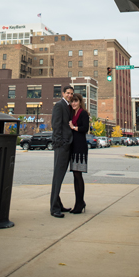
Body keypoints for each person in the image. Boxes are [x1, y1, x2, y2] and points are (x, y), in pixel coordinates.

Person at [50, 84, 74, 218]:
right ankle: (54, 208)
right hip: (61, 146)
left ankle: (58, 204)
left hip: (67, 145)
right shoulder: (59, 105)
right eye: (68, 93)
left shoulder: (68, 106)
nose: (70, 95)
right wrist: (59, 143)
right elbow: (56, 125)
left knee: (60, 177)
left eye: (71, 93)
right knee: (57, 178)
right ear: (63, 93)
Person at [67, 93, 89, 214]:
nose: (73, 103)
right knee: (75, 176)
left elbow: (85, 128)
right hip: (73, 147)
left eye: (76, 101)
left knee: (78, 175)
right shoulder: (72, 113)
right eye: (72, 101)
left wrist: (73, 127)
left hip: (80, 148)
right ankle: (79, 202)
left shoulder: (83, 113)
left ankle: (79, 203)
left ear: (80, 102)